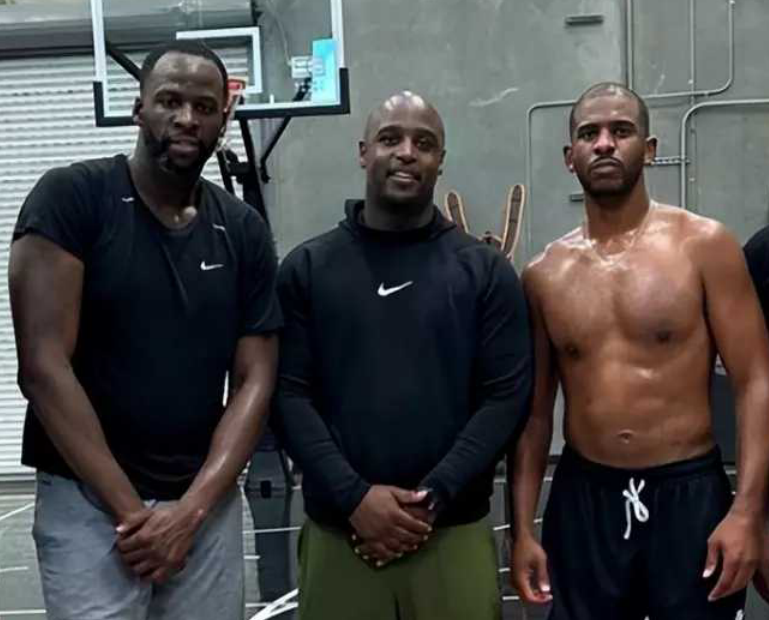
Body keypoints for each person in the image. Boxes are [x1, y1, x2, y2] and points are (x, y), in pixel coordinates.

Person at [9, 40, 281, 620]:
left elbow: (255, 380)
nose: (186, 118)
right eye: (170, 101)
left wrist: (191, 512)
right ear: (138, 108)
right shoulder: (71, 199)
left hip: (203, 506)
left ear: (223, 119)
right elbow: (43, 368)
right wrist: (135, 515)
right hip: (88, 504)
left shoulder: (243, 229)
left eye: (204, 107)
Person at [508, 82, 769, 620]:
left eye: (621, 131)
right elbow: (534, 415)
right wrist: (523, 530)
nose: (605, 143)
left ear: (649, 149)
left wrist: (747, 511)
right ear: (569, 157)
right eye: (589, 134)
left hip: (688, 494)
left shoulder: (705, 247)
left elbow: (755, 382)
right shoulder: (543, 275)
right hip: (585, 497)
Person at [272, 90, 532, 620]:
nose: (407, 153)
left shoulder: (483, 272)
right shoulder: (307, 269)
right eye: (390, 139)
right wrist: (354, 498)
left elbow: (505, 398)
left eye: (424, 143)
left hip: (451, 532)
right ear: (363, 151)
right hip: (341, 533)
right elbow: (287, 395)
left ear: (441, 160)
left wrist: (432, 498)